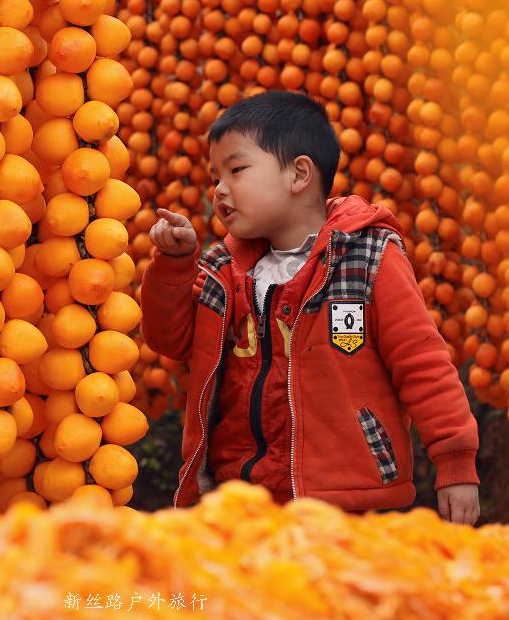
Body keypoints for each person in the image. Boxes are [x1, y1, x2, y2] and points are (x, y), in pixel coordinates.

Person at [140, 91, 481, 524]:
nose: (219, 190)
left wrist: (455, 463)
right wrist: (174, 265)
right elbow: (168, 338)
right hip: (240, 506)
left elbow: (422, 362)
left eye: (236, 169)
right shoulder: (223, 271)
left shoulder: (366, 258)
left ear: (299, 174)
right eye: (215, 177)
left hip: (345, 505)